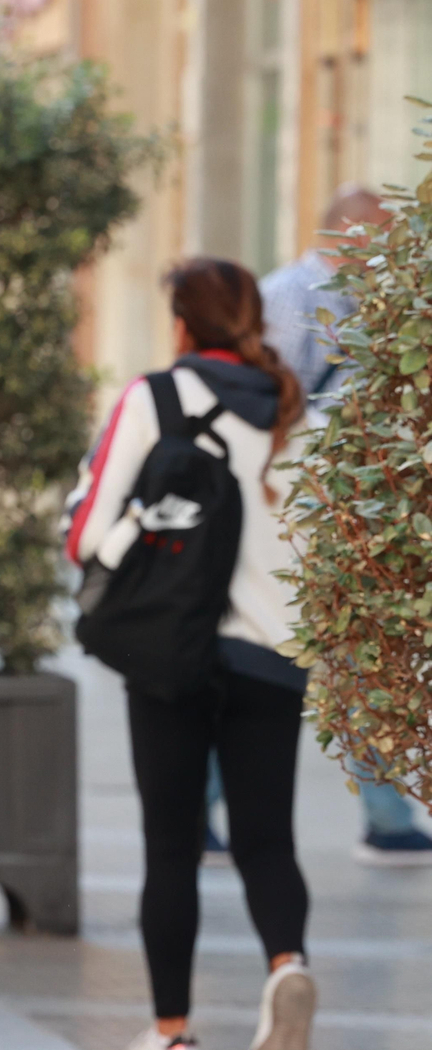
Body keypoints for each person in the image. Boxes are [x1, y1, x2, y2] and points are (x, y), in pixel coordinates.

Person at [65, 259, 315, 1050]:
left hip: (169, 654)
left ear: (182, 323)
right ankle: (287, 964)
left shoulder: (155, 397)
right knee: (267, 838)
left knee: (172, 847)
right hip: (273, 655)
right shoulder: (295, 409)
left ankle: (171, 1030)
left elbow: (88, 537)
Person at [259, 185, 432, 865]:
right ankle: (209, 813)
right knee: (275, 647)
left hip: (353, 506)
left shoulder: (379, 304)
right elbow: (269, 404)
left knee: (354, 648)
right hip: (295, 507)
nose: (389, 253)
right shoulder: (286, 294)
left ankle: (387, 818)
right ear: (348, 234)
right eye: (382, 238)